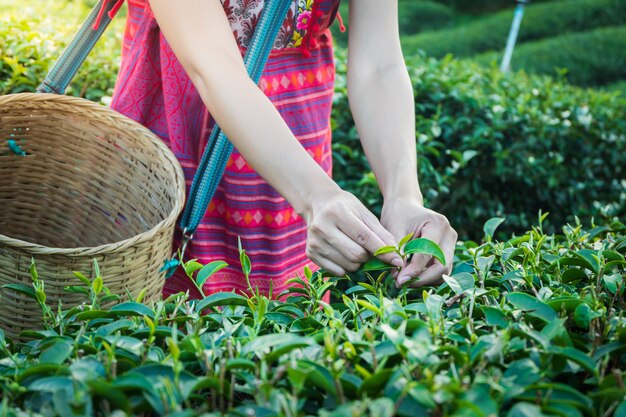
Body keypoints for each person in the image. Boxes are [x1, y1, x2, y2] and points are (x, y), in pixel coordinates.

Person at [110, 0, 458, 299]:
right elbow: (213, 66)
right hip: (179, 156)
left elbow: (379, 64)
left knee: (283, 341)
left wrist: (403, 196)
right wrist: (316, 196)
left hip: (296, 170)